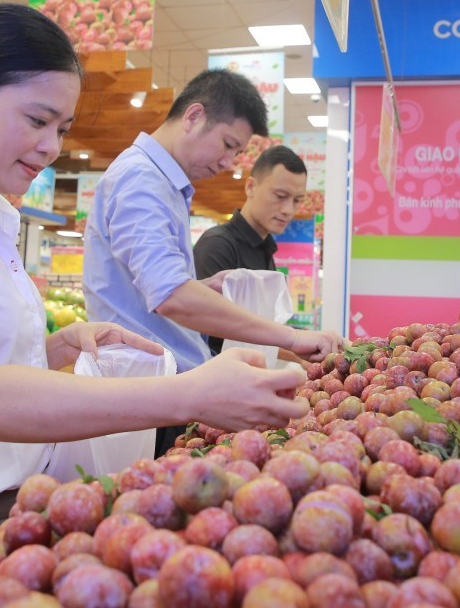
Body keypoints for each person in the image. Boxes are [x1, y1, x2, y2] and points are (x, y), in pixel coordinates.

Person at [0, 4, 307, 596]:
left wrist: (53, 347)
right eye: (37, 120)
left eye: (62, 129)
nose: (50, 147)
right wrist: (189, 393)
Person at [83, 69, 347, 457]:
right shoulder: (141, 179)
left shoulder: (164, 184)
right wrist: (290, 337)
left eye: (237, 153)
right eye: (227, 144)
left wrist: (202, 287)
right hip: (148, 398)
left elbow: (151, 289)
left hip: (165, 391)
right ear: (192, 117)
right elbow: (171, 296)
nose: (228, 162)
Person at [194, 145, 307, 355]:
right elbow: (220, 327)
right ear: (250, 187)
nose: (288, 210)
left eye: (297, 200)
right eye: (280, 196)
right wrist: (297, 349)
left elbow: (265, 325)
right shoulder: (217, 245)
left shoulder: (266, 248)